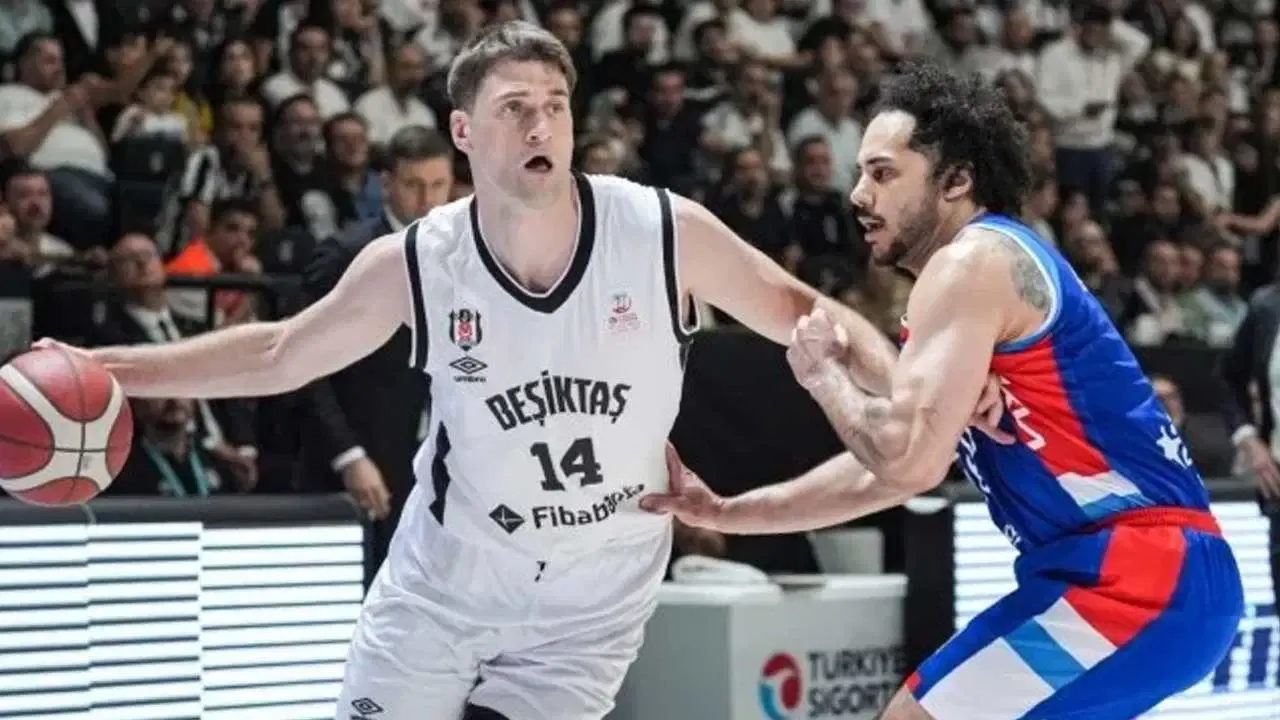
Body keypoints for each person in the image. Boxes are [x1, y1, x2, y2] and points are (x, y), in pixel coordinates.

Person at [37, 24, 1001, 720]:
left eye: (554, 107)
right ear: (464, 133)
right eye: (514, 110)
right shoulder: (421, 259)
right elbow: (281, 351)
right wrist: (107, 366)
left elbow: (807, 310)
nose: (541, 126)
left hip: (596, 591)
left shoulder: (658, 230)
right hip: (450, 577)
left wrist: (915, 391)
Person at [645, 61, 1245, 719]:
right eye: (858, 173)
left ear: (956, 180)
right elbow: (878, 479)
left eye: (882, 174)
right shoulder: (983, 285)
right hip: (1156, 577)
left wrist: (822, 375)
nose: (858, 194)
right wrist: (728, 512)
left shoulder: (970, 261)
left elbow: (905, 460)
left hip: (1136, 576)